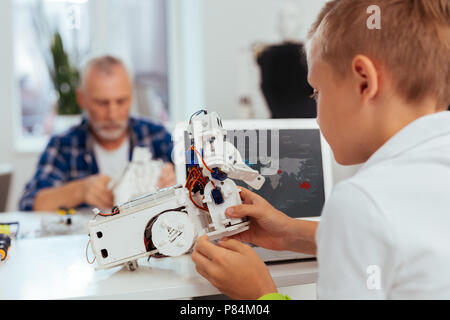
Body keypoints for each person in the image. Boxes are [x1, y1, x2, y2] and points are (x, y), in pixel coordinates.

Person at [191, 0, 450, 299]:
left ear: (364, 82)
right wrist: (290, 233)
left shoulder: (361, 203)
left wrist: (259, 293)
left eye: (317, 91)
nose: (315, 110)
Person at [19, 56, 176, 212]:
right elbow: (29, 204)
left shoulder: (156, 135)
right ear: (82, 99)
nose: (112, 114)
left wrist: (177, 180)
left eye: (121, 101)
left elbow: (198, 190)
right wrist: (80, 191)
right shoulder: (63, 145)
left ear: (131, 97)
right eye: (102, 103)